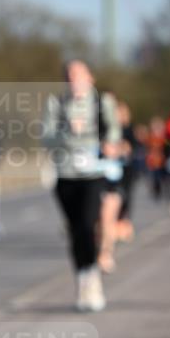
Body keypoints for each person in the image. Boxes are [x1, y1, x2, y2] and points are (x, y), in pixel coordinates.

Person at [42, 59, 120, 312]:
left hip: (93, 174)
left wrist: (110, 144)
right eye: (69, 74)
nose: (73, 78)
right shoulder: (56, 104)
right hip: (65, 175)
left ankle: (93, 280)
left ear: (90, 77)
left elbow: (114, 131)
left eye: (78, 73)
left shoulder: (102, 103)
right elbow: (46, 138)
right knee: (75, 231)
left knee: (88, 225)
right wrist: (67, 133)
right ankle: (83, 280)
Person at [97, 91, 125, 274]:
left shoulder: (117, 128)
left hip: (112, 181)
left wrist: (118, 149)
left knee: (108, 219)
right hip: (92, 178)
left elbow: (124, 150)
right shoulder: (93, 126)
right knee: (97, 223)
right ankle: (100, 251)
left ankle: (105, 254)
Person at [115, 101, 138, 243]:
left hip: (127, 168)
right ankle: (115, 225)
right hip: (113, 168)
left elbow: (134, 146)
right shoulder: (111, 128)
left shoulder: (129, 129)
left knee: (126, 196)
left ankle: (125, 224)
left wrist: (126, 147)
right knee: (114, 196)